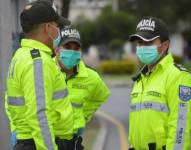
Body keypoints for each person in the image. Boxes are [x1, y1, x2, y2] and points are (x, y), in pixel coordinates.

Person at [5, 1, 74, 150]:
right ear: (48, 28)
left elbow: (10, 102)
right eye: (57, 26)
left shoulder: (20, 55)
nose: (59, 31)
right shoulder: (38, 62)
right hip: (41, 144)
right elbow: (39, 115)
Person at [128, 16, 191, 150]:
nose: (143, 47)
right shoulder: (141, 78)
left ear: (165, 45)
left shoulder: (178, 76)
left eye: (149, 42)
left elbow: (181, 125)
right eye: (140, 43)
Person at [54, 26, 111, 149]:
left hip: (73, 141)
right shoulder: (46, 71)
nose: (72, 51)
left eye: (76, 48)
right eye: (67, 47)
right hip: (49, 139)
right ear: (57, 50)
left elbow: (101, 96)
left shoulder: (91, 76)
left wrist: (84, 116)